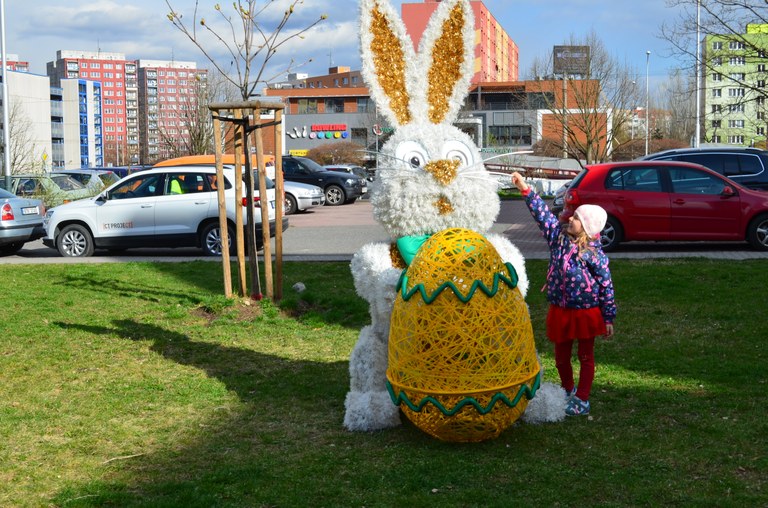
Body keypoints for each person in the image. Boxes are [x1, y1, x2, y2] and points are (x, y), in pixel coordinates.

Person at [511, 172, 616, 416]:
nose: (571, 219)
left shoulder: (594, 254)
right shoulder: (558, 239)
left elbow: (606, 285)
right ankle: (568, 390)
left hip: (586, 313)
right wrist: (525, 188)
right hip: (560, 310)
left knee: (585, 356)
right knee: (561, 357)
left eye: (577, 218)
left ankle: (582, 398)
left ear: (587, 227)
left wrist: (608, 317)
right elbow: (542, 215)